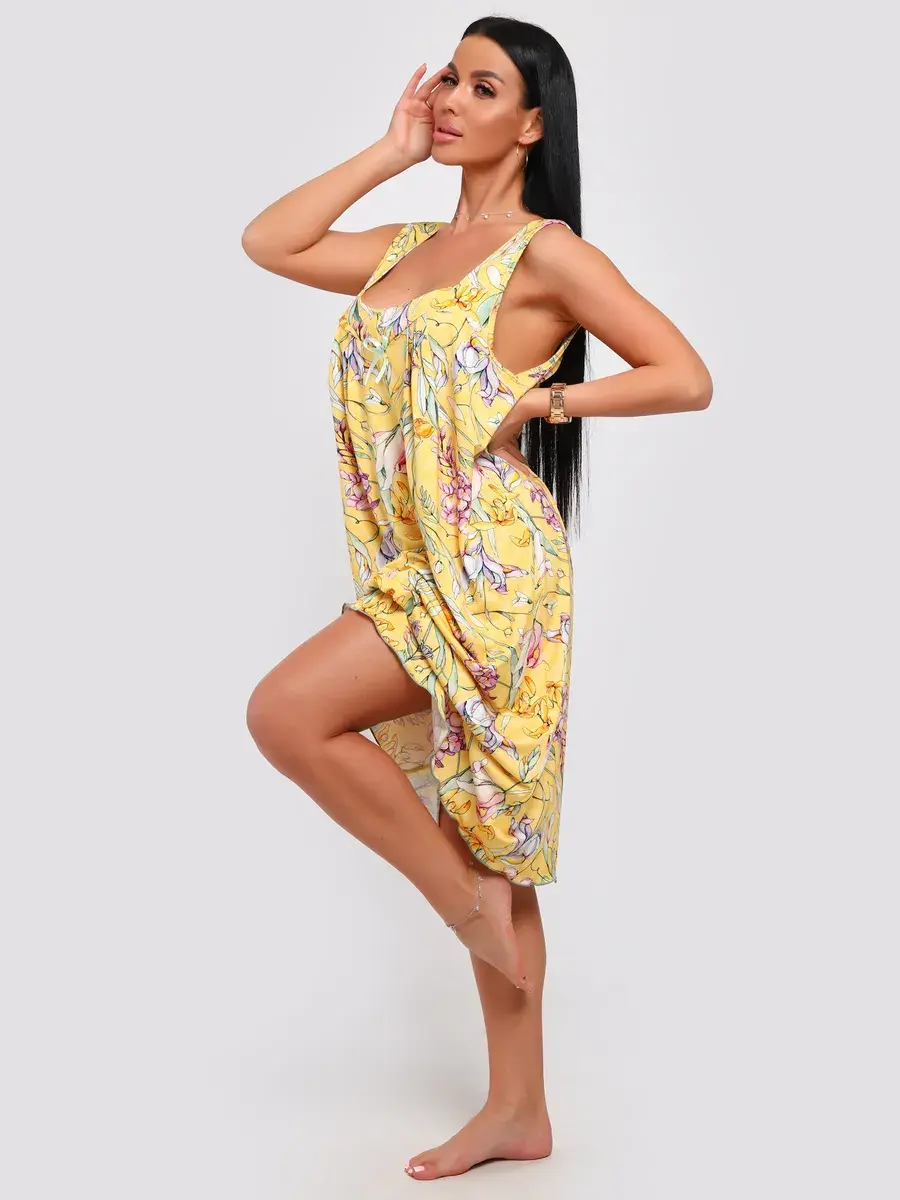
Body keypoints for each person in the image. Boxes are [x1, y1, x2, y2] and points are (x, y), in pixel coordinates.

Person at [241, 15, 712, 1183]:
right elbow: (269, 240)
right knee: (449, 824)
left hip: (496, 573)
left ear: (534, 123)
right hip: (407, 571)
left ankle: (482, 977)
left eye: (484, 87)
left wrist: (545, 405)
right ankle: (517, 1098)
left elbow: (684, 375)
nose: (452, 97)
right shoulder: (403, 248)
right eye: (449, 77)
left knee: (301, 720)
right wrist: (391, 151)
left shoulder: (548, 255)